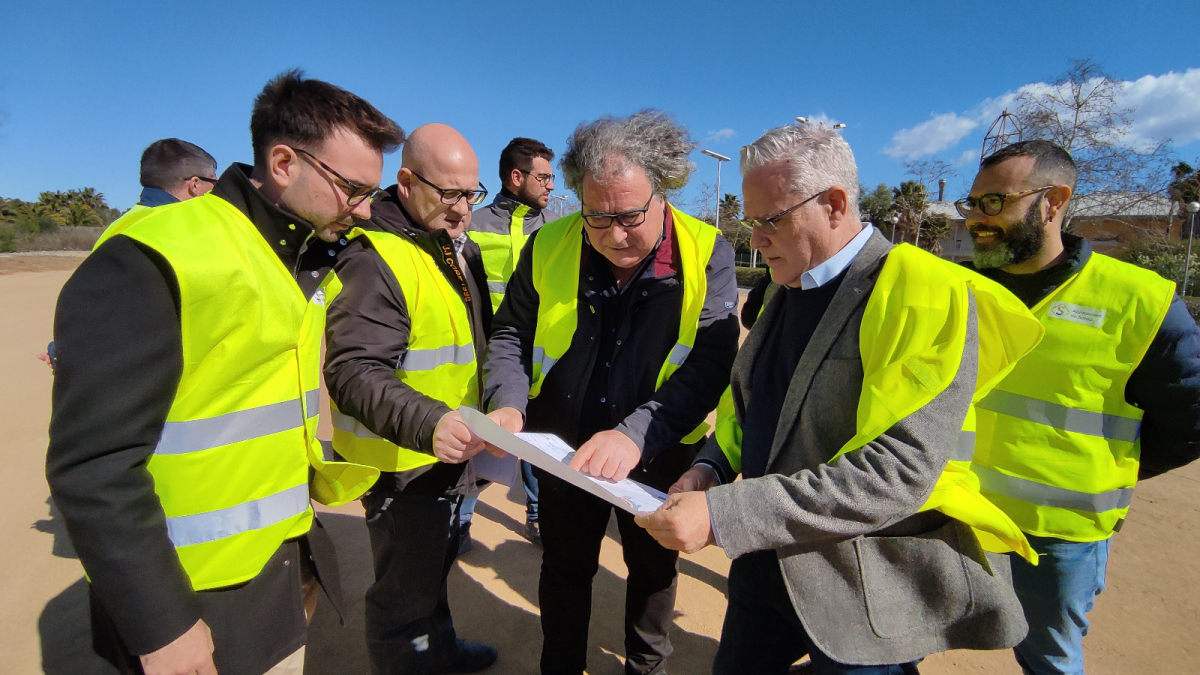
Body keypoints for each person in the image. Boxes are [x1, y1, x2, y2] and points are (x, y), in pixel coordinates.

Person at [636, 123, 1042, 674]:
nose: (757, 239)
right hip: (767, 563)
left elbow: (898, 469)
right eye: (752, 222)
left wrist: (725, 512)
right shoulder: (788, 283)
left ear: (833, 204)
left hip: (864, 582)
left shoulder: (926, 291)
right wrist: (711, 467)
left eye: (771, 220)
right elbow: (754, 405)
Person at [46, 70, 401, 675]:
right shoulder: (156, 254)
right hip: (194, 595)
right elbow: (93, 464)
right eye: (353, 189)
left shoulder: (295, 255)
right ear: (284, 162)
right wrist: (161, 623)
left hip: (279, 569)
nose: (365, 209)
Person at [484, 110, 740, 675]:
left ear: (664, 191)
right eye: (596, 217)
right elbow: (511, 333)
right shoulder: (549, 244)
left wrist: (634, 435)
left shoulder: (706, 251)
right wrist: (506, 402)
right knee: (565, 567)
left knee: (652, 572)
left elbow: (711, 362)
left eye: (629, 216)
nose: (614, 235)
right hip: (564, 447)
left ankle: (645, 668)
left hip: (659, 451)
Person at [959, 140, 1200, 675]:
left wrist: (1110, 469)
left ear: (1053, 201)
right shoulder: (961, 289)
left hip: (1058, 537)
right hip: (956, 511)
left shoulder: (1141, 301)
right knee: (905, 629)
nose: (976, 218)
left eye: (994, 202)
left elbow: (1190, 419)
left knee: (1050, 658)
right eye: (971, 204)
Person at [324, 122, 499, 674]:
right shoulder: (373, 255)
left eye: (472, 194)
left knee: (431, 573)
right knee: (403, 596)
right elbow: (353, 370)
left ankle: (441, 651)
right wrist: (430, 423)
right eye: (450, 194)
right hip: (402, 464)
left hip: (446, 451)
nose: (463, 209)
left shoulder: (442, 244)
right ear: (405, 182)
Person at [460, 136, 557, 551]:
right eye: (544, 177)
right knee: (475, 440)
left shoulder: (558, 232)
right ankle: (460, 521)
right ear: (516, 177)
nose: (551, 185)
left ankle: (537, 516)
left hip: (541, 360)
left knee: (536, 445)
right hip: (485, 356)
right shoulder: (471, 224)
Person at [135, 138, 219, 209]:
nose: (215, 189)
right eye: (214, 182)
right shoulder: (191, 222)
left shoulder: (129, 218)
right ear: (194, 185)